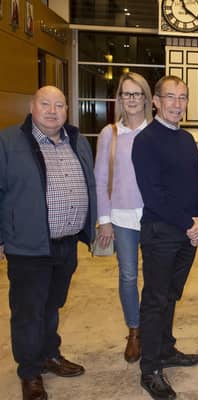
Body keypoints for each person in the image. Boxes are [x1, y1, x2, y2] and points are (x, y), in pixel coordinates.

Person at [0, 86, 96, 400]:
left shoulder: (77, 140)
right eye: (45, 104)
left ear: (67, 109)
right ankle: (29, 372)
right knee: (28, 311)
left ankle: (49, 354)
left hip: (65, 243)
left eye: (59, 105)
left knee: (52, 305)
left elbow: (88, 182)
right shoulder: (9, 141)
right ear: (32, 106)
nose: (52, 111)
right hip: (29, 245)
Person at [132, 75, 198, 400]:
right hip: (161, 232)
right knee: (155, 300)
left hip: (186, 233)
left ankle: (166, 349)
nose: (178, 104)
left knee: (171, 296)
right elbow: (153, 194)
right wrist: (188, 223)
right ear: (156, 102)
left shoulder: (186, 139)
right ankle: (150, 369)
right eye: (171, 97)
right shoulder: (146, 140)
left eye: (183, 97)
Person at [94, 72, 152, 363]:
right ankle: (134, 330)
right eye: (126, 94)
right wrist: (104, 219)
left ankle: (156, 330)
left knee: (156, 278)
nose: (131, 99)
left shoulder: (156, 132)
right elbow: (100, 176)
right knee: (128, 275)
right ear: (119, 98)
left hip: (154, 217)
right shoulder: (110, 134)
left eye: (137, 93)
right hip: (122, 217)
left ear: (146, 98)